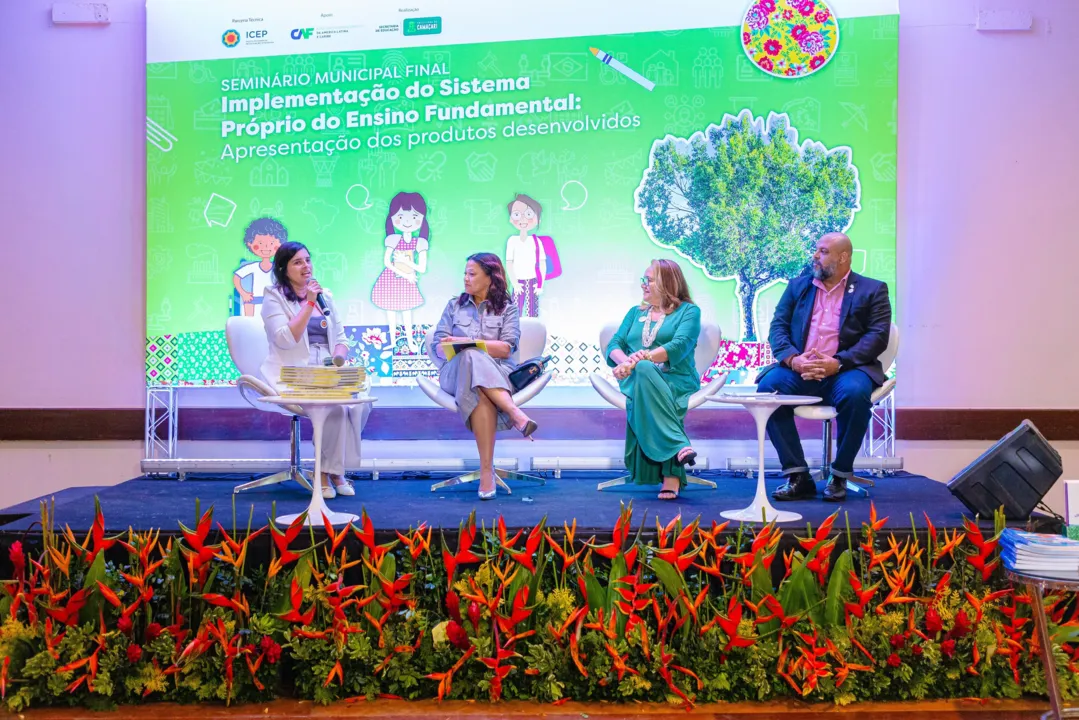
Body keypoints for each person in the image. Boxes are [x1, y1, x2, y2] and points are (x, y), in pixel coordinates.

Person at [756, 232, 892, 503]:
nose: (815, 256)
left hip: (846, 370)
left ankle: (840, 475)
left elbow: (877, 336)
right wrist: (794, 359)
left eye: (823, 251)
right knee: (768, 390)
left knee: (855, 394)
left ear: (843, 257)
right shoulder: (798, 286)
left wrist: (838, 362)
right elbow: (778, 328)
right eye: (816, 250)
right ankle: (798, 475)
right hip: (801, 370)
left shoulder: (872, 289)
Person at [261, 242, 371, 499]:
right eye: (298, 262)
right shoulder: (273, 296)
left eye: (308, 260)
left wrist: (339, 360)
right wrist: (308, 304)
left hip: (327, 368)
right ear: (283, 268)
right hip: (294, 371)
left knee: (359, 401)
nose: (306, 266)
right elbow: (285, 339)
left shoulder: (326, 296)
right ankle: (327, 473)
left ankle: (332, 469)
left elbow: (341, 339)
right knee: (335, 406)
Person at [428, 253, 538, 500]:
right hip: (454, 374)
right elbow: (438, 346)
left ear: (490, 278)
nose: (466, 279)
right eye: (465, 273)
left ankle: (486, 472)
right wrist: (463, 347)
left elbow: (507, 348)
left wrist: (467, 342)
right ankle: (514, 413)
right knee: (469, 357)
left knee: (477, 372)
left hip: (497, 374)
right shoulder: (453, 305)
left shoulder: (507, 308)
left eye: (472, 274)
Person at [606, 259, 701, 501]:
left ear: (667, 282)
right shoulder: (635, 312)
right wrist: (626, 362)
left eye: (648, 280)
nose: (643, 285)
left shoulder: (689, 312)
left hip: (675, 378)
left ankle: (672, 469)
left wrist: (641, 359)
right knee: (645, 371)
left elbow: (679, 346)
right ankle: (679, 447)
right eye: (643, 279)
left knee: (647, 369)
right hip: (635, 377)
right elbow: (614, 345)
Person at [371, 191, 429, 354]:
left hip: (408, 281)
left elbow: (422, 268)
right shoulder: (393, 239)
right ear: (393, 218)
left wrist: (406, 262)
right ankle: (392, 341)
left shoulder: (420, 243)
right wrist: (405, 273)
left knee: (406, 312)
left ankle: (410, 341)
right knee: (390, 311)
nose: (408, 222)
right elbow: (387, 262)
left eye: (414, 217)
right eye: (401, 217)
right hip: (391, 279)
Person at [505, 194, 559, 318]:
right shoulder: (512, 240)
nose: (523, 219)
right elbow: (509, 263)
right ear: (511, 219)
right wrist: (515, 283)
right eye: (517, 214)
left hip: (532, 281)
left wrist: (540, 284)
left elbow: (542, 264)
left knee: (532, 315)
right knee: (514, 314)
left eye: (529, 214)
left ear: (537, 219)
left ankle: (532, 336)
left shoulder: (536, 241)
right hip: (518, 281)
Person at [233, 217, 286, 317]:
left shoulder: (278, 268)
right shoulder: (252, 267)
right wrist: (244, 293)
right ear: (250, 244)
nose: (266, 248)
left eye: (271, 244)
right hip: (254, 302)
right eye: (260, 243)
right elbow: (237, 277)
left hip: (273, 304)